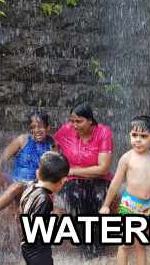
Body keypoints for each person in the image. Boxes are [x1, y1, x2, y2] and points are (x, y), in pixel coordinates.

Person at [99, 115, 150, 265]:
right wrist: (106, 205)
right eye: (134, 135)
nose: (138, 140)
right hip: (129, 205)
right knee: (125, 244)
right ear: (129, 135)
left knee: (141, 243)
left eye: (143, 136)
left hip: (146, 207)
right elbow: (115, 183)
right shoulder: (127, 158)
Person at [53, 102, 113, 258]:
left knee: (98, 199)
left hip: (99, 179)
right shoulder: (66, 130)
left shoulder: (103, 132)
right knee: (75, 198)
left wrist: (72, 170)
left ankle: (99, 248)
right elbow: (53, 149)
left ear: (90, 120)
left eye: (79, 121)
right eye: (72, 121)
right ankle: (85, 249)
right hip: (72, 180)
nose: (74, 125)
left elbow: (103, 168)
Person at [20, 151, 70, 265]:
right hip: (38, 251)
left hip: (28, 247)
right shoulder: (44, 200)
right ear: (63, 181)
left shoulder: (30, 187)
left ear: (39, 173)